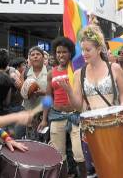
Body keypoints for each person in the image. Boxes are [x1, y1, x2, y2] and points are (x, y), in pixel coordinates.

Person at [58, 24, 123, 177]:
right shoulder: (79, 73)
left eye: (88, 50)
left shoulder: (114, 68)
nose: (84, 53)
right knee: (93, 171)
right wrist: (69, 91)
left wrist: (122, 108)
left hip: (113, 125)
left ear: (99, 49)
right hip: (90, 128)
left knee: (116, 168)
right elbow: (78, 106)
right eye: (82, 49)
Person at [37, 37, 86, 178]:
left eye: (64, 52)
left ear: (70, 53)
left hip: (76, 115)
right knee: (59, 155)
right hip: (56, 116)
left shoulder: (76, 70)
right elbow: (48, 97)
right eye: (58, 52)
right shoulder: (51, 73)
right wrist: (44, 119)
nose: (60, 55)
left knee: (79, 154)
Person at [21, 46, 48, 141]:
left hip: (44, 112)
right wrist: (26, 91)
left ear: (43, 57)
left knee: (44, 141)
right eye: (32, 55)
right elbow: (22, 90)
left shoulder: (49, 71)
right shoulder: (26, 72)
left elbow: (53, 94)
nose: (35, 56)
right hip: (30, 111)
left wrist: (44, 92)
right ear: (29, 58)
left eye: (38, 54)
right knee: (31, 141)